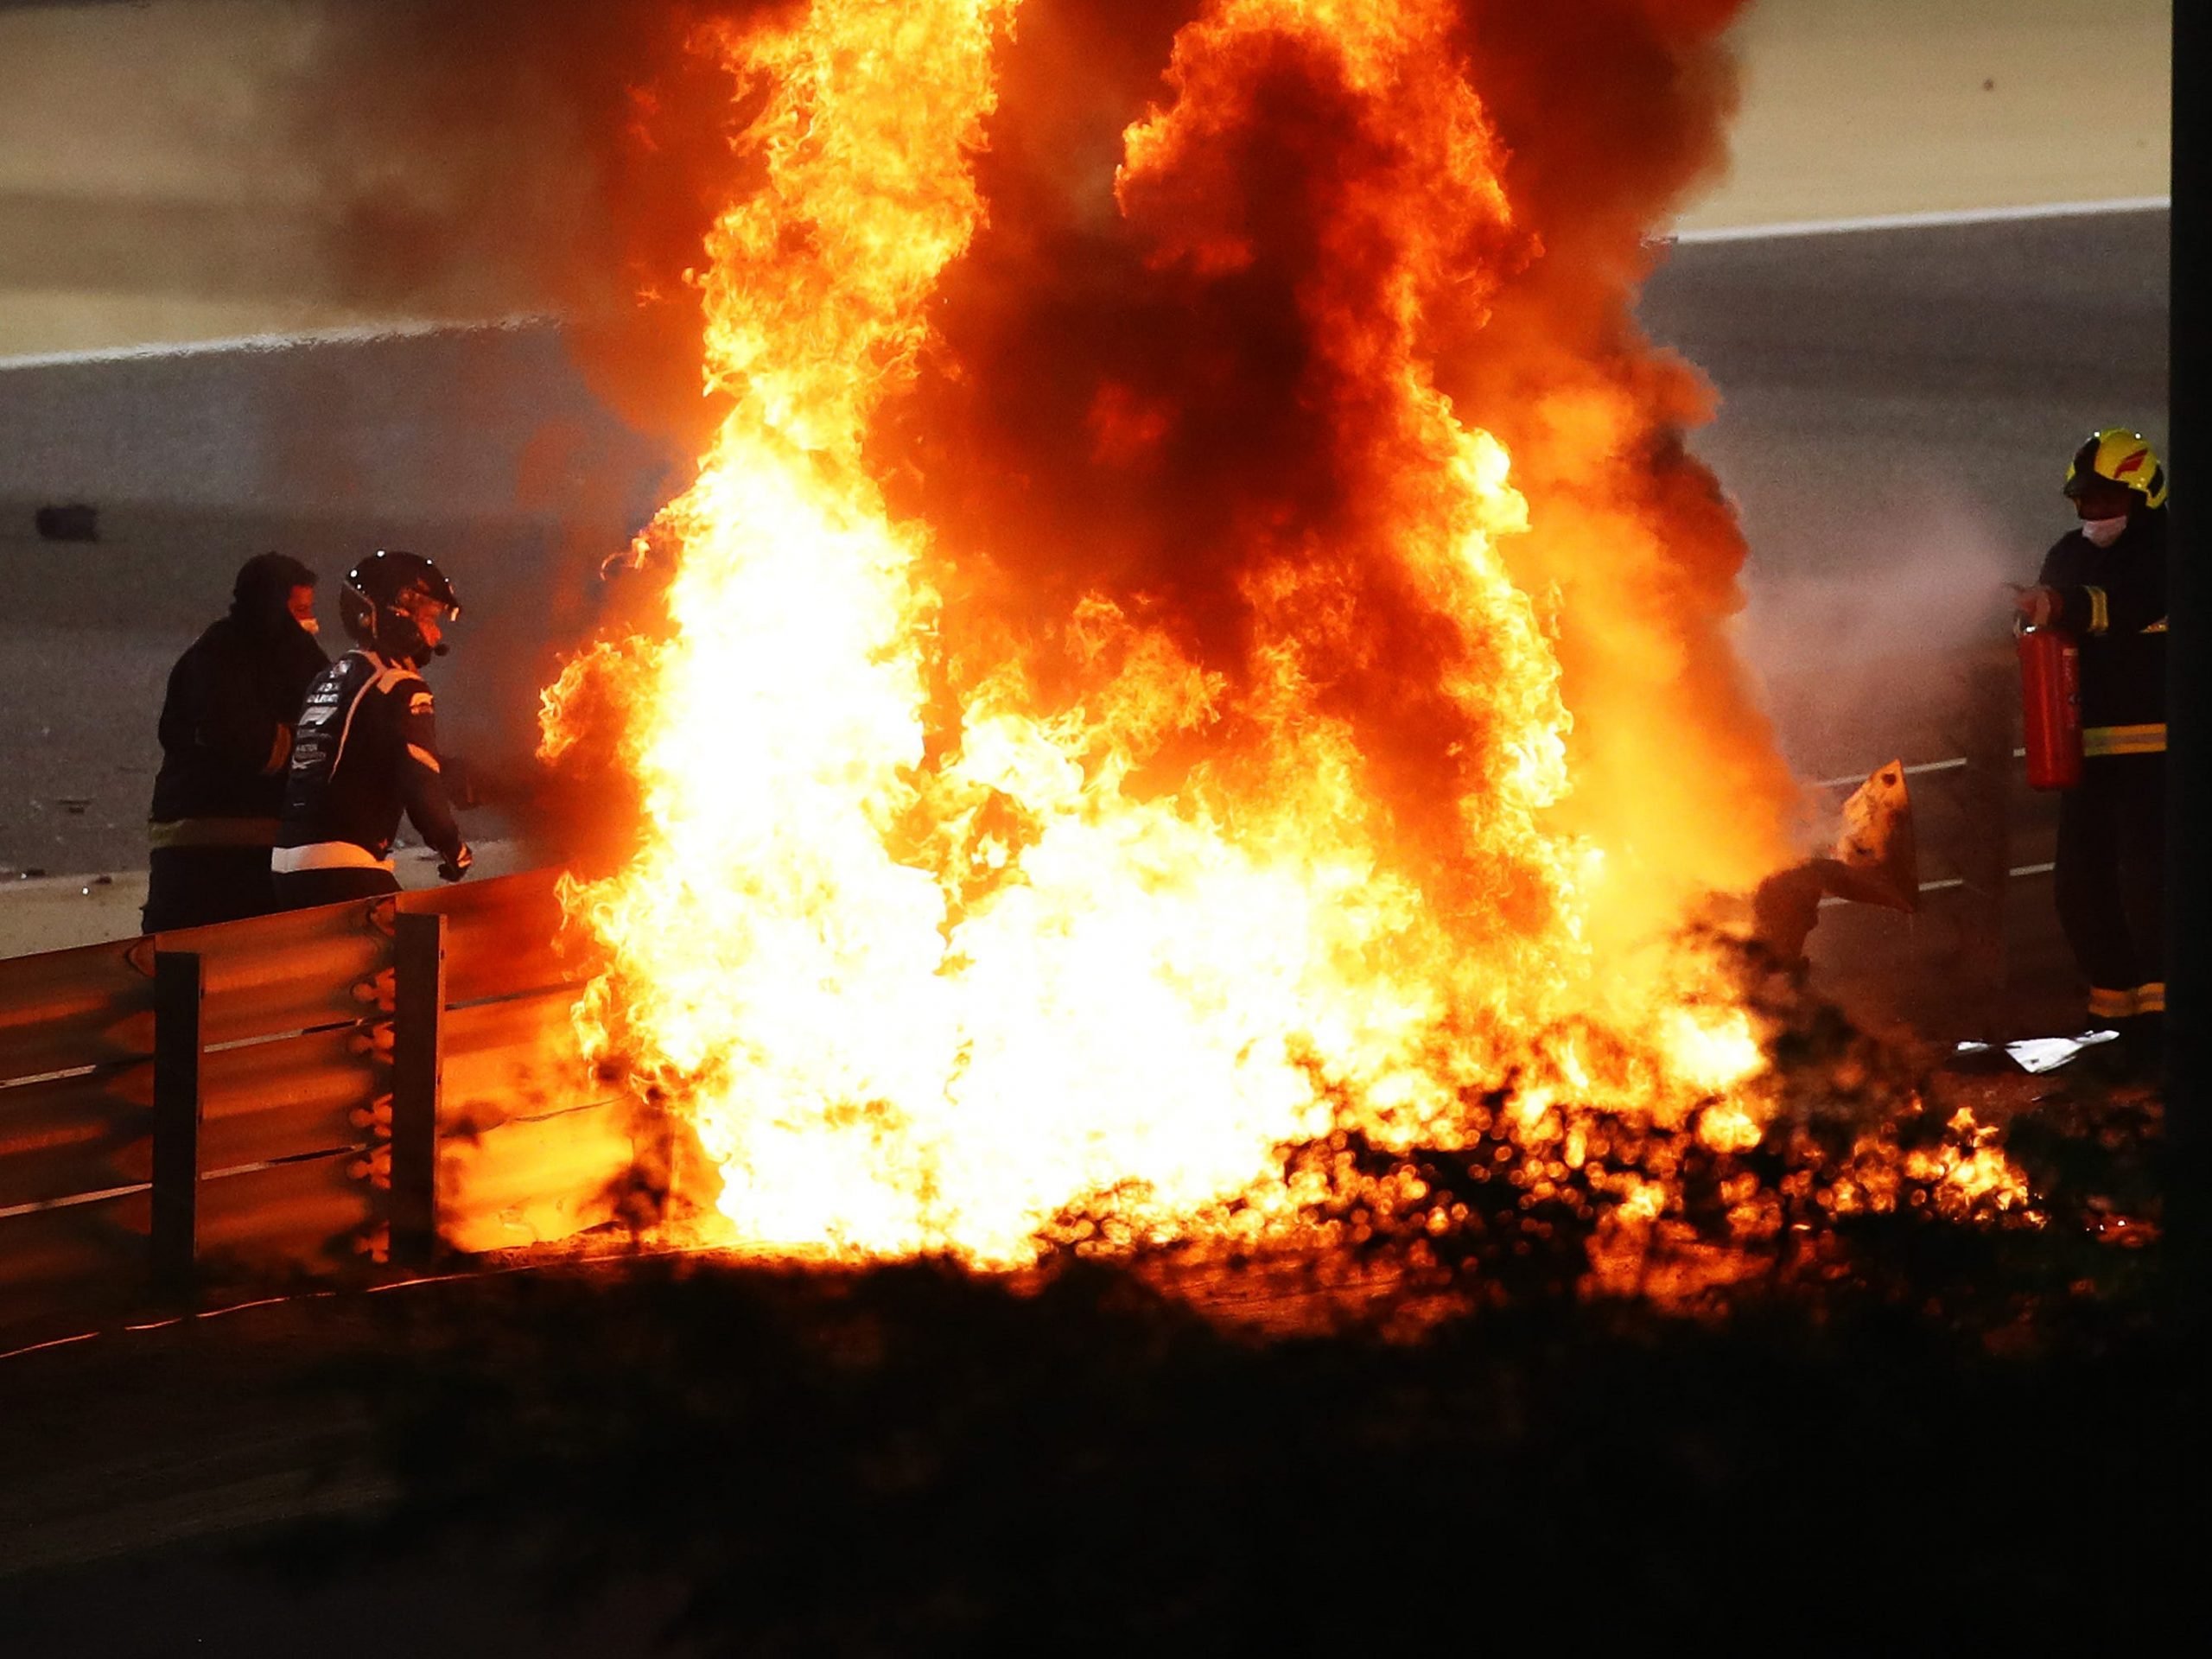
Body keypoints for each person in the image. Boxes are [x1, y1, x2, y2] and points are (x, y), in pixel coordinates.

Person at [2014, 426, 2168, 1080]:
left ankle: (2168, 1032)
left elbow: (2128, 605)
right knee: (2080, 890)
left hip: (2162, 752)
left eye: (2106, 501)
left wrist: (2061, 605)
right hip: (2088, 754)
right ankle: (2112, 1024)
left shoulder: (2170, 549)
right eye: (2084, 502)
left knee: (2154, 888)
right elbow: (2053, 623)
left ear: (2141, 494)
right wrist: (2031, 614)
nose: (2092, 514)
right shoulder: (2067, 554)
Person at [272, 550, 474, 909]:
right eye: (429, 618)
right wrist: (451, 846)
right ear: (397, 614)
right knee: (429, 948)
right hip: (346, 864)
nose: (435, 632)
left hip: (286, 866)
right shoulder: (399, 683)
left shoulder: (330, 677)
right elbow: (419, 779)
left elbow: (366, 753)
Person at [143, 553, 329, 931]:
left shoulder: (212, 654)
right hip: (210, 859)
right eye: (300, 610)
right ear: (270, 608)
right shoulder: (219, 659)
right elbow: (245, 740)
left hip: (254, 853)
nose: (308, 624)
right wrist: (312, 749)